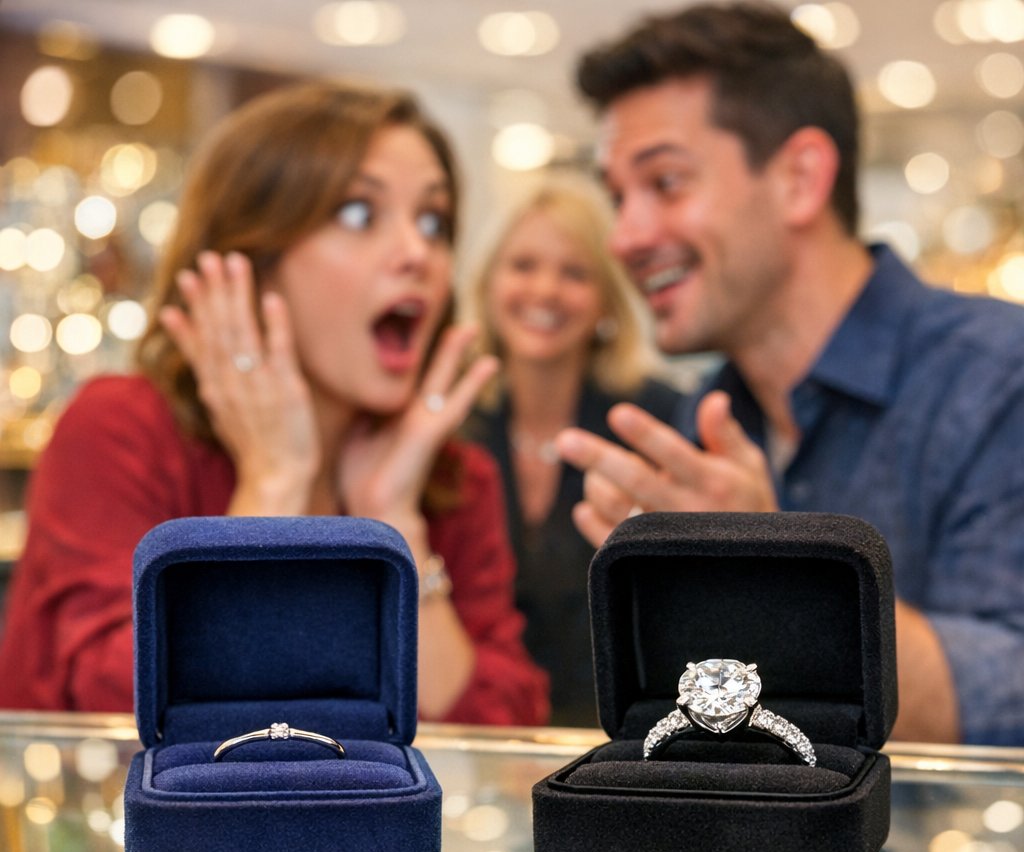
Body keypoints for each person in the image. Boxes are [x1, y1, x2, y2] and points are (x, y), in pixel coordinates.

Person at [0, 80, 548, 725]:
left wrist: (394, 520)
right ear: (250, 261)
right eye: (359, 214)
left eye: (433, 221)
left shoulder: (451, 477)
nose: (418, 254)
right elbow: (107, 704)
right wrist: (272, 483)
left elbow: (501, 741)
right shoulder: (122, 429)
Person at [555, 2, 1024, 746]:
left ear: (801, 178)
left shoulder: (1000, 375)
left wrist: (776, 571)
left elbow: (1012, 690)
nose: (626, 237)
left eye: (666, 183)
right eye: (618, 197)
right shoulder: (704, 420)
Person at [463, 177, 682, 725]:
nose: (545, 290)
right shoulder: (448, 423)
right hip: (476, 735)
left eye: (574, 273)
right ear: (488, 284)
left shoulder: (655, 422)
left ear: (608, 298)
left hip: (619, 739)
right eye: (523, 266)